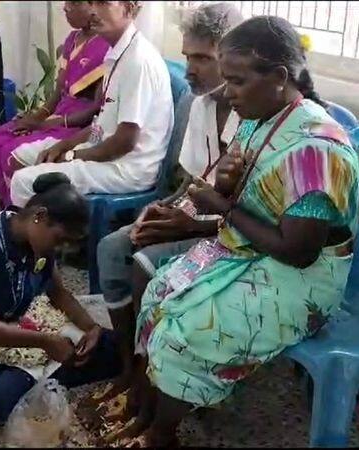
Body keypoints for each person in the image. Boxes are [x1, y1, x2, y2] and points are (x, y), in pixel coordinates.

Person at [110, 16, 359, 446]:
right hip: (249, 249)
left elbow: (297, 252)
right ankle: (148, 410)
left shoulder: (317, 150)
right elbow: (250, 206)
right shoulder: (262, 117)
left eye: (237, 81)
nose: (227, 92)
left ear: (280, 78)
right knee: (157, 296)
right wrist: (224, 188)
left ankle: (160, 435)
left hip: (303, 278)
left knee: (185, 332)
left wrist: (221, 205)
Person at [86, 2, 244, 416]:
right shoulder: (198, 104)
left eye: (202, 58)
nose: (189, 68)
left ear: (231, 58)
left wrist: (184, 224)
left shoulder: (254, 113)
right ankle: (129, 365)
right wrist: (160, 208)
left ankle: (153, 380)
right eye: (188, 55)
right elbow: (194, 182)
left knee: (145, 262)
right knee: (112, 247)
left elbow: (242, 211)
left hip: (225, 233)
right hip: (194, 216)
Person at [0, 172, 122, 430]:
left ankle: (27, 378)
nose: (60, 250)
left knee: (116, 346)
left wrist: (91, 327)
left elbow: (58, 293)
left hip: (21, 327)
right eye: (60, 239)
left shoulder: (37, 244)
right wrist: (44, 342)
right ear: (40, 216)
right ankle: (30, 376)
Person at [9, 1, 173, 208]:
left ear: (129, 8)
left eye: (103, 3)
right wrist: (64, 145)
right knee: (20, 156)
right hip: (104, 151)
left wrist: (72, 156)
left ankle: (43, 235)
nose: (94, 11)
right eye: (93, 3)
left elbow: (124, 142)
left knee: (23, 182)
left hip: (126, 168)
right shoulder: (117, 54)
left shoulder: (138, 61)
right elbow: (102, 124)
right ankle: (51, 228)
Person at [0, 1, 110, 209]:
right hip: (60, 114)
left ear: (94, 7)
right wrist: (37, 116)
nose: (65, 8)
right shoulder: (72, 39)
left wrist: (46, 124)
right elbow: (58, 93)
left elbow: (96, 110)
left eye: (74, 3)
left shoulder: (106, 47)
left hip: (76, 124)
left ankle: (26, 214)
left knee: (11, 151)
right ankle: (3, 208)